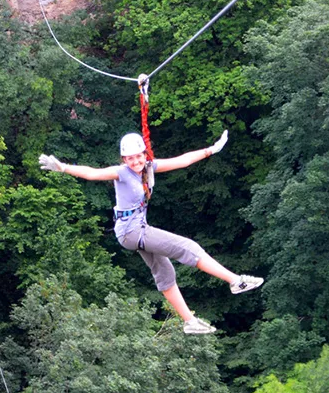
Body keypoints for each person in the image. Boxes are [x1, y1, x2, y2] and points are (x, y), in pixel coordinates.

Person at [39, 132, 263, 335]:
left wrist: (211, 150)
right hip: (131, 231)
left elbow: (181, 161)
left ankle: (189, 321)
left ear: (144, 154)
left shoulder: (149, 168)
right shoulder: (122, 173)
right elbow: (93, 174)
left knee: (165, 272)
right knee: (189, 247)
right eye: (131, 158)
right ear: (124, 160)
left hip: (135, 231)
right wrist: (64, 168)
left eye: (139, 156)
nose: (136, 162)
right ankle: (235, 281)